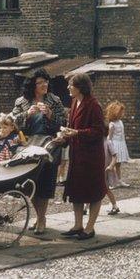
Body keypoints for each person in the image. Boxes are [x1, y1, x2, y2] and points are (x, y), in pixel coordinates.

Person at [11, 68, 67, 235]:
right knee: (31, 183)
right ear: (32, 86)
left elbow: (63, 122)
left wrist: (50, 114)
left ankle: (42, 218)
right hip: (28, 145)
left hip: (49, 145)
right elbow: (12, 124)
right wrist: (27, 114)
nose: (44, 85)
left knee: (45, 181)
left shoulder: (54, 100)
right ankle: (39, 216)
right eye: (40, 83)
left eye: (46, 82)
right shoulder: (21, 102)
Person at [56, 73, 106, 240]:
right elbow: (72, 127)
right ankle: (78, 225)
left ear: (80, 87)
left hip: (91, 157)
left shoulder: (94, 105)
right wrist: (64, 136)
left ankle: (89, 228)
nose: (68, 87)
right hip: (77, 155)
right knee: (76, 190)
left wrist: (77, 133)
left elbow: (99, 131)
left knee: (93, 191)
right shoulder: (74, 102)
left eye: (71, 85)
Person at [106, 101, 130, 187]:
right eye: (120, 112)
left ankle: (119, 180)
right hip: (114, 145)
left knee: (118, 165)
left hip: (121, 143)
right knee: (113, 164)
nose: (122, 114)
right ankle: (112, 182)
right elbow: (109, 138)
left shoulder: (120, 122)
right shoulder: (112, 124)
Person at [104, 137, 120, 214]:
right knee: (93, 188)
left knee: (106, 189)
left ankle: (115, 206)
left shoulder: (108, 142)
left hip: (105, 170)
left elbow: (114, 156)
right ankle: (86, 207)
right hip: (97, 169)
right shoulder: (94, 142)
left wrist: (111, 166)